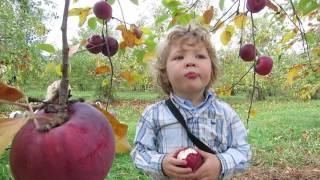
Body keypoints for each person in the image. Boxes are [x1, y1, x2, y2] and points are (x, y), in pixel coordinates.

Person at [131, 24, 251, 180]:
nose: (190, 62)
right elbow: (139, 153)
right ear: (165, 72)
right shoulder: (153, 114)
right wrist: (161, 163)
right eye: (179, 57)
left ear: (212, 69)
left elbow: (243, 152)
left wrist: (220, 163)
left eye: (200, 56)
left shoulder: (226, 114)